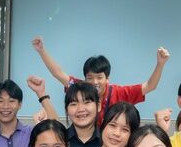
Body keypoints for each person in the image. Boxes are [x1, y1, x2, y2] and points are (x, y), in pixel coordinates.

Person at [31, 36, 169, 126]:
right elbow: (58, 73)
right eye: (90, 78)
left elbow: (150, 86)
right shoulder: (79, 87)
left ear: (107, 78)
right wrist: (41, 50)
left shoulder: (120, 93)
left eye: (99, 77)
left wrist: (160, 64)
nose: (94, 82)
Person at [61, 82, 101, 147]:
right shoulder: (59, 141)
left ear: (98, 106)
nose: (81, 109)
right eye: (73, 104)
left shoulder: (108, 141)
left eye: (87, 102)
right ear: (66, 109)